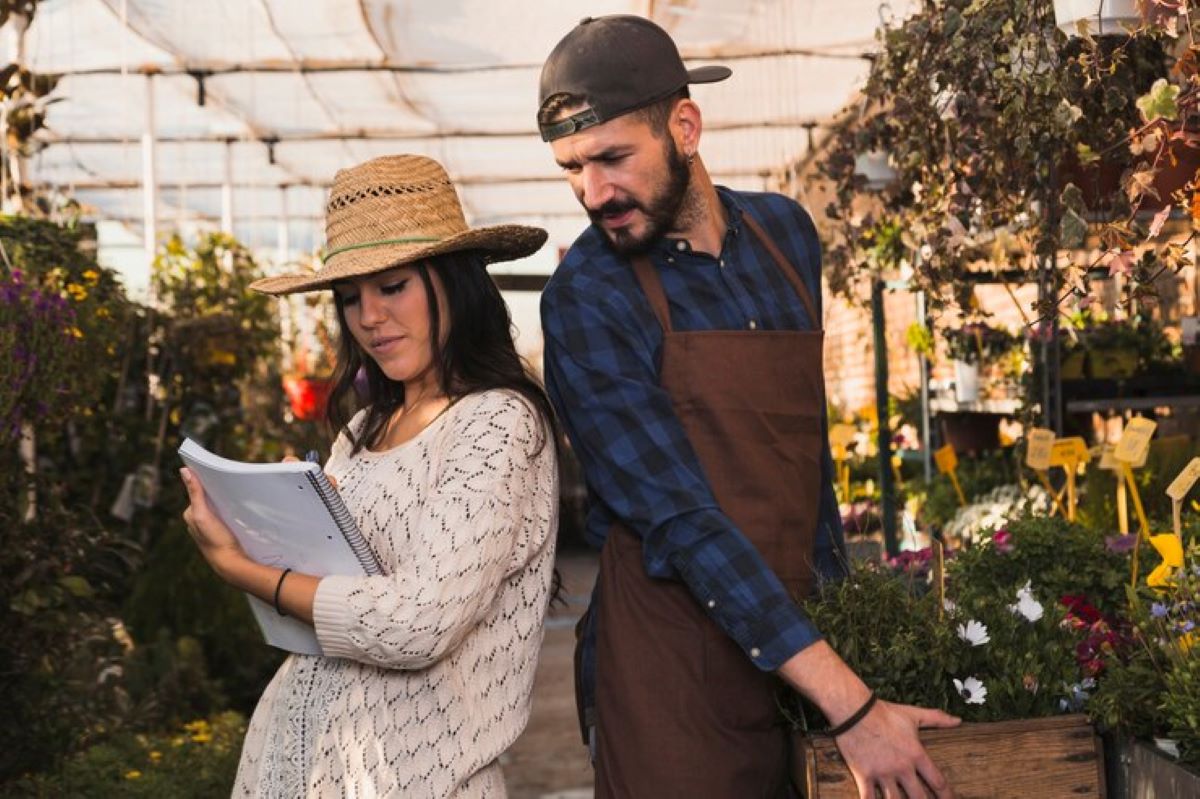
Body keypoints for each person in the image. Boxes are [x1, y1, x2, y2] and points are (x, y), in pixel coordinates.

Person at [536, 15, 959, 799]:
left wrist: (854, 645)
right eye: (570, 169)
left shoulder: (785, 237)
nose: (592, 194)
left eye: (611, 158)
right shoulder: (586, 298)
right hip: (676, 678)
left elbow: (807, 465)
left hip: (805, 655)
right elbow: (681, 521)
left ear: (685, 126)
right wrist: (853, 705)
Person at [179, 154, 560, 798]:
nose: (369, 317)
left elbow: (418, 624)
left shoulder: (497, 423)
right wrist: (275, 521)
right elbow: (313, 619)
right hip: (295, 765)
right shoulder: (360, 432)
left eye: (392, 286)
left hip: (419, 780)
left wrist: (242, 568)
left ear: (452, 280)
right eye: (351, 297)